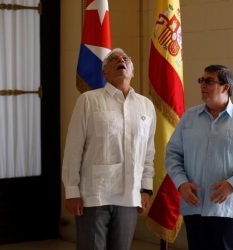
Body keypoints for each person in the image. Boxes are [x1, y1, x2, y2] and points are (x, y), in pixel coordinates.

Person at [62, 48, 156, 250]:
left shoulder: (146, 106)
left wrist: (146, 189)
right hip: (94, 194)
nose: (121, 60)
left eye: (125, 58)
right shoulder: (88, 100)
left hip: (130, 195)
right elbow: (73, 149)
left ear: (132, 71)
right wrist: (71, 190)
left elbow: (148, 152)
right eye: (114, 59)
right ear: (104, 73)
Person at [166, 65, 233, 250]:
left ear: (225, 87)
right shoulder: (188, 118)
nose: (202, 85)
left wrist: (231, 184)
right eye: (201, 80)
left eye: (209, 81)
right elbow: (173, 154)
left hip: (227, 208)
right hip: (194, 205)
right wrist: (181, 183)